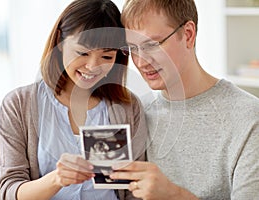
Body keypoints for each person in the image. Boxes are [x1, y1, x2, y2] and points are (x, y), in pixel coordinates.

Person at [0, 0, 147, 199]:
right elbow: (8, 191)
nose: (93, 66)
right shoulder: (18, 104)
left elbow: (133, 192)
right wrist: (57, 179)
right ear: (60, 41)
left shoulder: (128, 107)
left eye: (107, 57)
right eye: (82, 52)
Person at [109, 0, 259, 199]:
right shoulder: (138, 113)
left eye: (152, 45)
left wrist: (174, 195)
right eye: (133, 49)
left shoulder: (248, 118)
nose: (141, 62)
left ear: (188, 35)